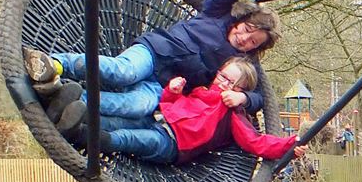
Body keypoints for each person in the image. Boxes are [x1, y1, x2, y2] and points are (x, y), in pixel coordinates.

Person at [24, 0, 300, 120]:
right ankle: (52, 64)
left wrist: (244, 99)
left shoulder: (240, 62)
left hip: (164, 86)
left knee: (136, 106)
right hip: (153, 52)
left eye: (253, 43)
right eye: (247, 31)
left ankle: (70, 101)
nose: (244, 39)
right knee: (123, 72)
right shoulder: (217, 14)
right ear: (242, 20)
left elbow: (262, 97)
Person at [58, 56, 307, 164]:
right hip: (158, 120)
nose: (223, 83)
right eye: (223, 77)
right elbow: (172, 105)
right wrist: (173, 91)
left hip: (173, 144)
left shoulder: (232, 115)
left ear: (241, 91)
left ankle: (81, 136)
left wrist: (290, 144)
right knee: (114, 122)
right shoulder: (199, 92)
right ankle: (68, 115)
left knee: (129, 138)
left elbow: (255, 142)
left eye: (232, 83)